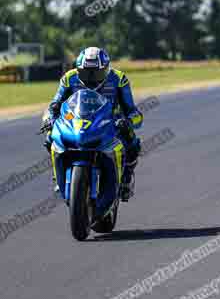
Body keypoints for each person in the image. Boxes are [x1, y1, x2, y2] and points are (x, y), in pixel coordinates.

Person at [41, 47, 143, 201]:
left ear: (106, 69)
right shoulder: (69, 78)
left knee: (132, 143)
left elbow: (133, 112)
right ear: (78, 68)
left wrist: (128, 122)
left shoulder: (119, 79)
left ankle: (126, 179)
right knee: (50, 137)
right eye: (86, 72)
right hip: (75, 120)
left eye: (96, 73)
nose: (91, 77)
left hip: (110, 122)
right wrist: (48, 118)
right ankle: (57, 176)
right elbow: (54, 105)